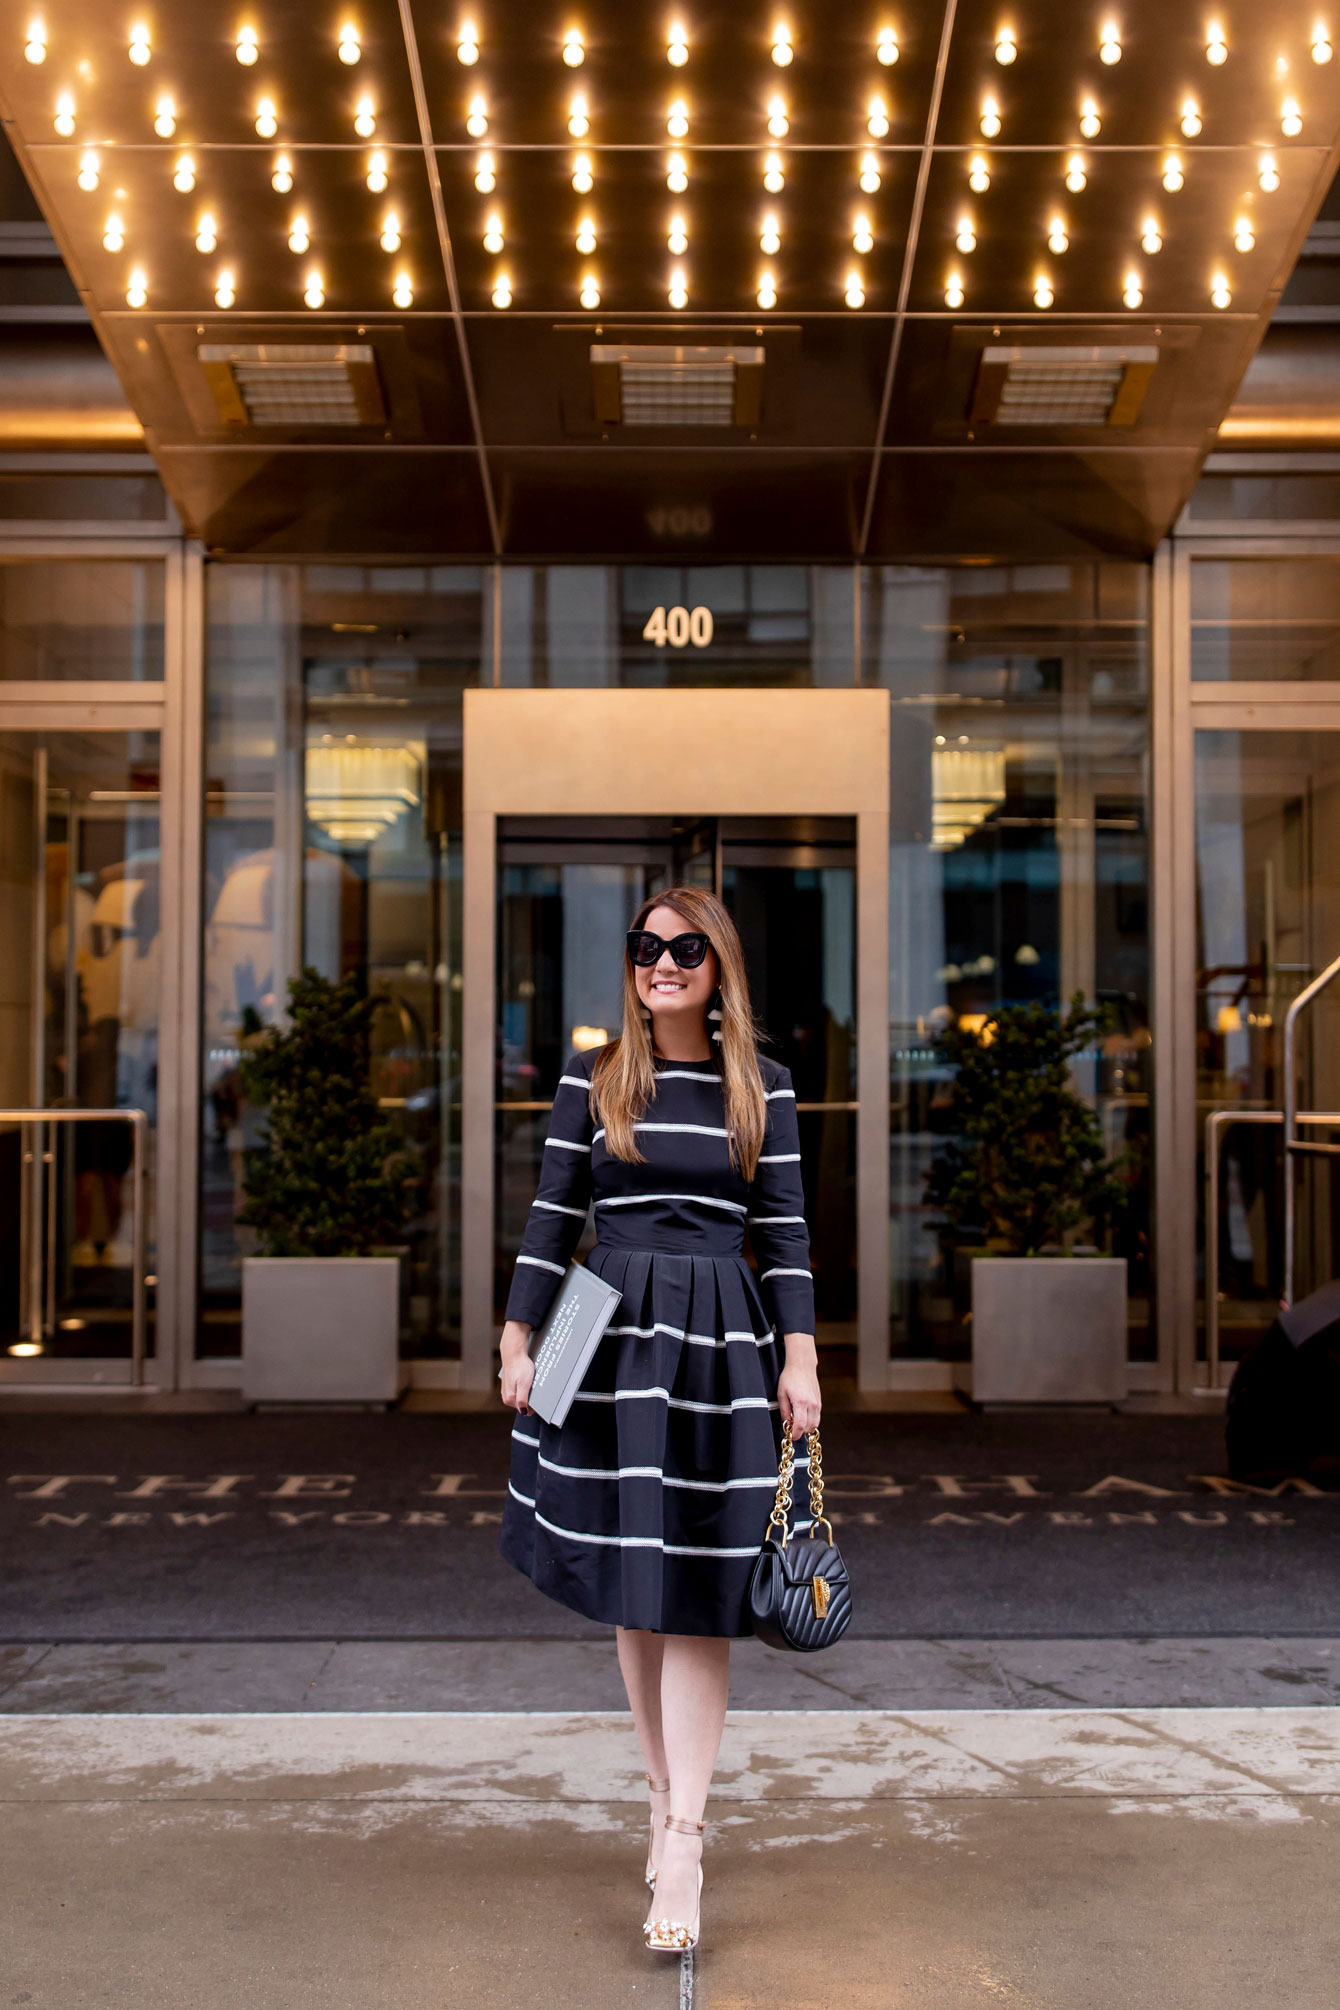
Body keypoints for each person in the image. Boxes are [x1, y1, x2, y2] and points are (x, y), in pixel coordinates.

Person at [498, 885, 821, 1954]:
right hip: (607, 1338)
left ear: (717, 964)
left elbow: (782, 1232)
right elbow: (553, 1214)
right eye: (646, 946)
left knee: (700, 1593)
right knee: (639, 1585)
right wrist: (516, 1334)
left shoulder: (761, 1087)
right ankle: (660, 1793)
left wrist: (803, 1357)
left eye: (684, 948)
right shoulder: (594, 1080)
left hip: (720, 1341)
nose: (662, 963)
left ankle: (684, 1832)